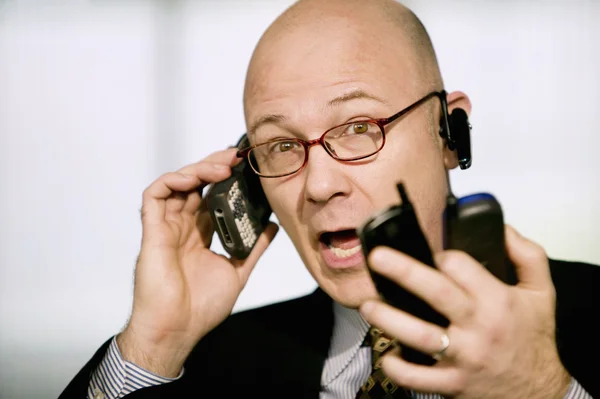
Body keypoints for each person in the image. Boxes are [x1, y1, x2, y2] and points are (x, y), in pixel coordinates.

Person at [60, 0, 600, 398]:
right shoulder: (215, 364)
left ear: (447, 131)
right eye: (280, 145)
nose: (319, 186)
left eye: (359, 128)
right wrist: (153, 345)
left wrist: (542, 391)